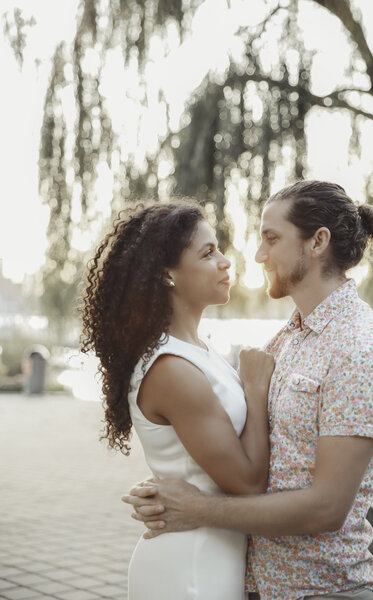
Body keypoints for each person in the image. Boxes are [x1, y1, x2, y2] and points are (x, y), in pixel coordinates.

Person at [123, 181, 373, 600]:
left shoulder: (360, 348)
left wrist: (196, 507)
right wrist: (175, 476)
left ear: (317, 242)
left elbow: (327, 508)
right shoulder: (286, 340)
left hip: (322, 590)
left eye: (272, 239)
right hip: (252, 584)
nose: (257, 255)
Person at [80, 202, 275, 600]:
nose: (225, 262)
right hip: (192, 570)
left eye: (218, 249)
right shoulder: (171, 368)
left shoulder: (195, 349)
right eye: (207, 253)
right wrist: (255, 390)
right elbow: (249, 483)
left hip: (212, 555)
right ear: (166, 273)